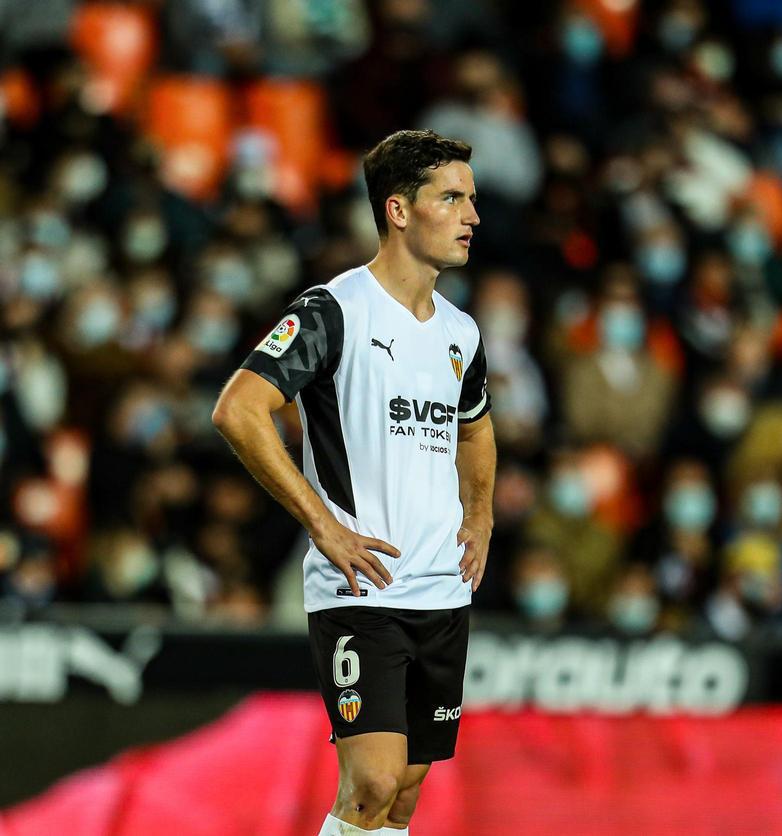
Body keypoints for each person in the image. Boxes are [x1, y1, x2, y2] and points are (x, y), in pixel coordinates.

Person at [212, 129, 496, 836]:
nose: (473, 216)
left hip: (441, 586)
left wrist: (482, 514)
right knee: (369, 782)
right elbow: (238, 410)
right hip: (361, 588)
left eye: (472, 198)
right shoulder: (333, 311)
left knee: (403, 790)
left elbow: (476, 426)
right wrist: (322, 523)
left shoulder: (461, 333)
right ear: (398, 211)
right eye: (452, 198)